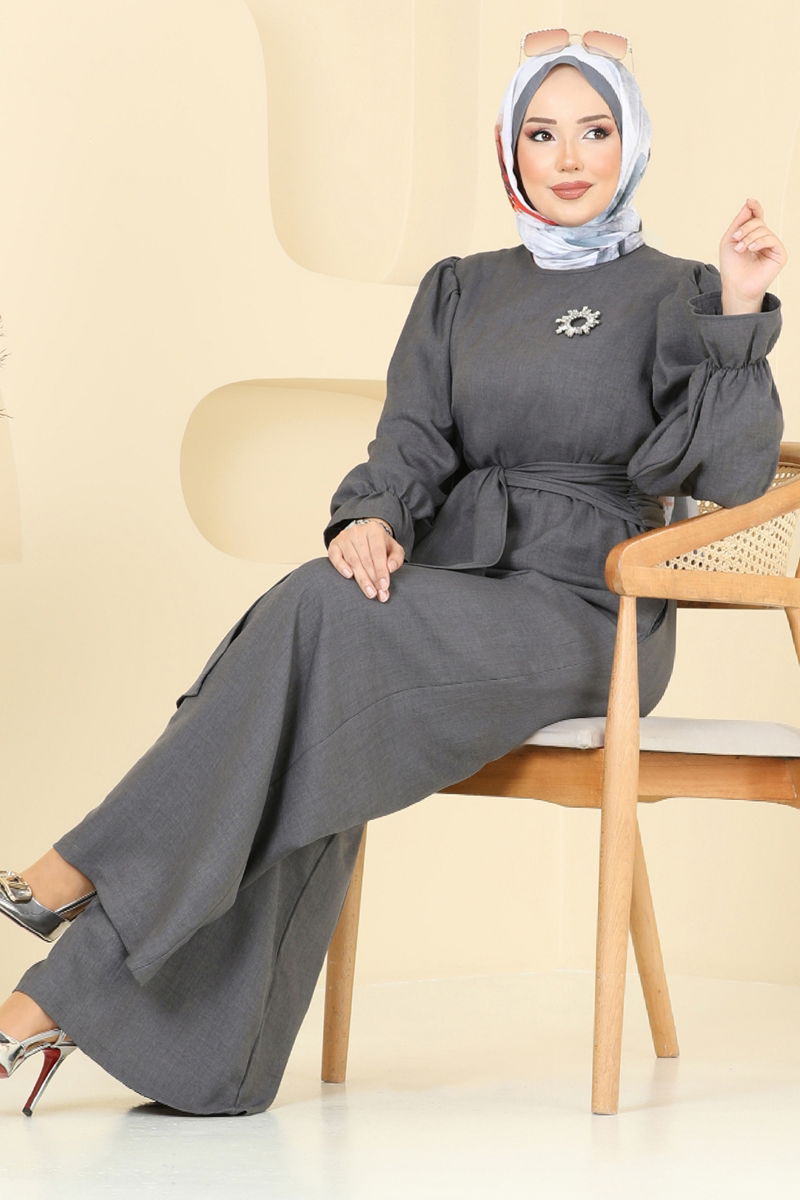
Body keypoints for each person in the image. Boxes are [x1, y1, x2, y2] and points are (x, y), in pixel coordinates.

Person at [0, 33, 788, 1117]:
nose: (568, 159)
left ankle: (79, 882)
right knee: (311, 655)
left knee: (313, 639)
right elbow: (410, 441)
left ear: (632, 142)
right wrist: (372, 516)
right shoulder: (460, 288)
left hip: (587, 611)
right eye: (541, 133)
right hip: (456, 586)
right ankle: (135, 1034)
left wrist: (740, 313)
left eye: (594, 131)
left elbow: (729, 477)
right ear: (507, 149)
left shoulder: (684, 290)